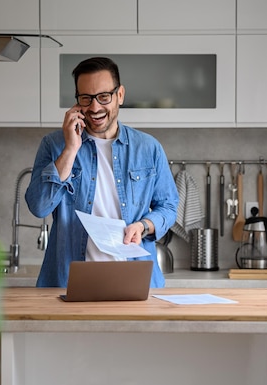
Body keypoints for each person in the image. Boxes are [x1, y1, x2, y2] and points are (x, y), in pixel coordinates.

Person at [25, 56, 179, 288]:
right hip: (70, 283)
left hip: (135, 281)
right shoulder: (54, 145)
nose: (94, 107)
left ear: (120, 95)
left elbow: (168, 207)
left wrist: (143, 226)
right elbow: (39, 207)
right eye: (86, 98)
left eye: (103, 97)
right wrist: (71, 149)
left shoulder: (148, 148)